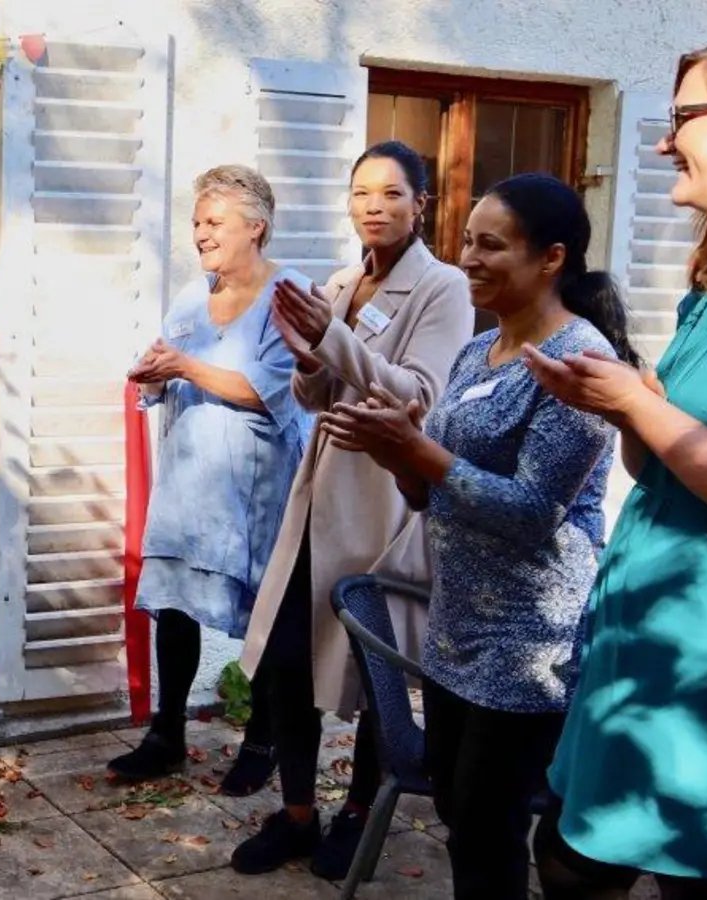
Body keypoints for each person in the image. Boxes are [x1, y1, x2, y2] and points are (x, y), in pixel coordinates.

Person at [520, 27, 707, 898]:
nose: (662, 139)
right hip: (645, 659)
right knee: (564, 859)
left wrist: (641, 404)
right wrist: (624, 402)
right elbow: (665, 471)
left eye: (683, 118)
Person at [319, 172, 633, 900]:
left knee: (489, 834)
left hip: (529, 645)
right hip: (458, 630)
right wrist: (395, 455)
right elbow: (434, 496)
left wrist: (419, 451)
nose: (468, 258)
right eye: (467, 240)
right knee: (464, 818)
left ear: (550, 259)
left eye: (491, 245)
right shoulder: (477, 352)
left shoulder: (579, 366)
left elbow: (529, 513)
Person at [229, 141, 474, 879]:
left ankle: (361, 812)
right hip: (315, 498)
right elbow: (316, 396)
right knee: (285, 664)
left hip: (379, 504)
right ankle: (298, 814)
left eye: (393, 193)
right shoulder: (340, 284)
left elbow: (416, 394)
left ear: (420, 205)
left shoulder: (445, 288)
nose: (374, 206)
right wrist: (309, 358)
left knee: (371, 675)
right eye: (362, 192)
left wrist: (328, 339)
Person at [108, 165, 312, 794]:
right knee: (173, 608)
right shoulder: (192, 299)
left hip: (256, 489)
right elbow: (171, 369)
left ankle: (263, 741)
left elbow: (269, 392)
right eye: (196, 222)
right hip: (188, 483)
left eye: (213, 221)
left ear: (256, 227)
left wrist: (187, 367)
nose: (199, 233)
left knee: (265, 618)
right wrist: (156, 376)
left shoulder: (292, 296)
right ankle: (166, 734)